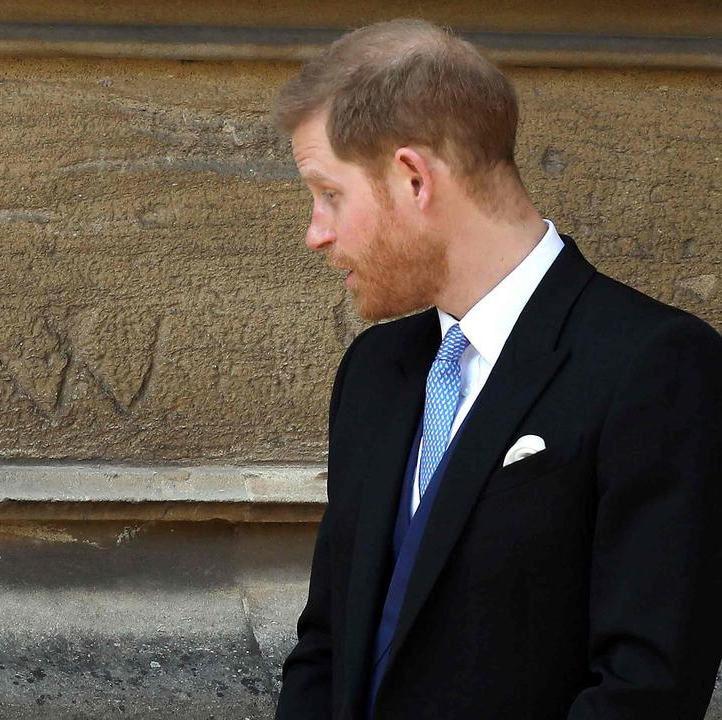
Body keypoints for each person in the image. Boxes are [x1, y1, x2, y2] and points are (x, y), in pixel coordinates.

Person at [272, 18, 722, 720]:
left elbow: (646, 687)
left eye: (330, 194)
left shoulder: (653, 366)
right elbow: (326, 646)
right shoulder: (374, 371)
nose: (316, 233)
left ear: (413, 177)